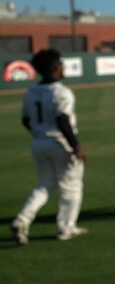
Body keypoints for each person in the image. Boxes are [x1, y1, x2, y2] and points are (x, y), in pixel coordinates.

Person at [10, 49, 88, 244]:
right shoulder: (62, 92)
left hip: (39, 143)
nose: (63, 66)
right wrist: (76, 146)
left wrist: (40, 135)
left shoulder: (31, 91)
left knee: (44, 185)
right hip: (60, 144)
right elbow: (62, 120)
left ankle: (23, 219)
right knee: (71, 187)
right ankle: (66, 228)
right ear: (55, 67)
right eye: (61, 63)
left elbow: (26, 120)